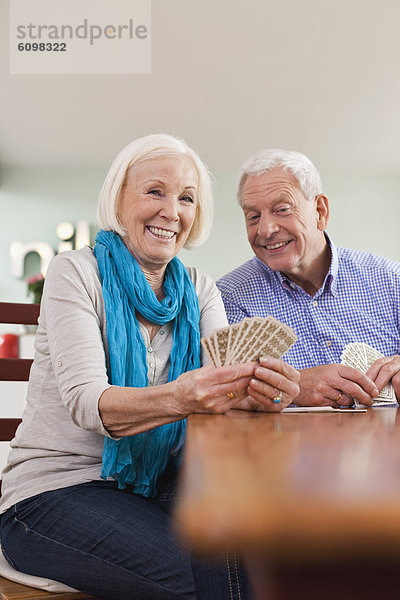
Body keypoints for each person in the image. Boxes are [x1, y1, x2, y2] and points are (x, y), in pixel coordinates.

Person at [0, 135, 300, 600]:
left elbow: (225, 390)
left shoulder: (199, 289)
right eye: (155, 192)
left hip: (158, 484)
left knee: (265, 552)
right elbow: (87, 403)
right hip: (55, 494)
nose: (171, 211)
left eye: (186, 198)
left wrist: (263, 393)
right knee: (212, 578)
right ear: (118, 198)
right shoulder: (75, 271)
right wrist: (183, 396)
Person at [217, 148, 400, 408]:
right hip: (281, 448)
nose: (265, 229)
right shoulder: (229, 298)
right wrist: (292, 386)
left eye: (282, 209)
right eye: (253, 217)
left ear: (320, 211)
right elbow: (223, 398)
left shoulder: (392, 281)